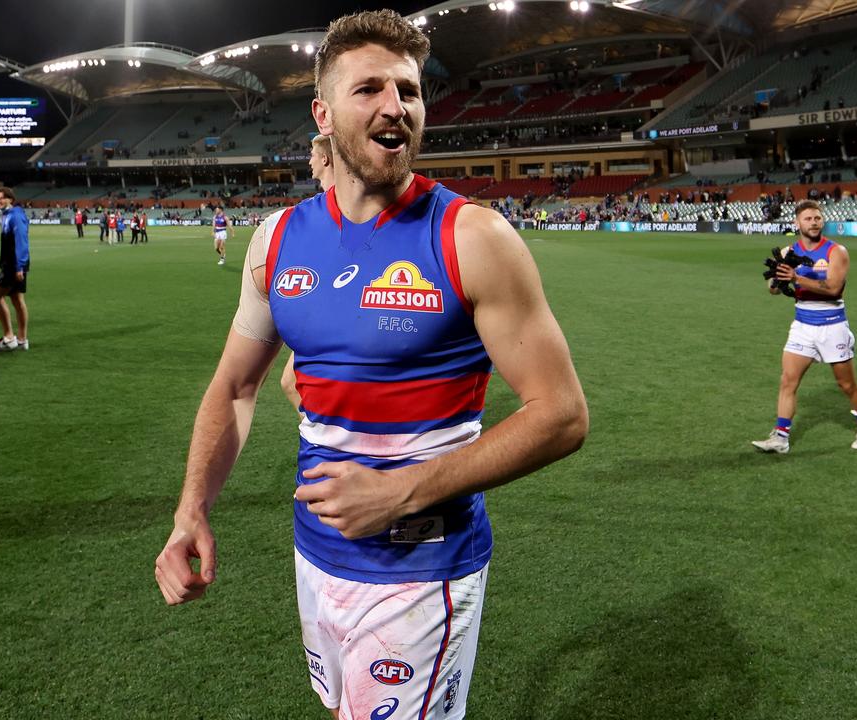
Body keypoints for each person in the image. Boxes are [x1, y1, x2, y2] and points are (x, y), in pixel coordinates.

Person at [153, 11, 588, 720]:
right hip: (316, 555)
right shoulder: (278, 241)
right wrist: (190, 510)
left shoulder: (472, 238)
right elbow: (234, 388)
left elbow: (563, 415)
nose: (396, 107)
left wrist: (403, 491)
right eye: (371, 90)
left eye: (409, 91)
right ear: (323, 113)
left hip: (425, 568)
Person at [752, 199, 857, 453]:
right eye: (808, 219)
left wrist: (797, 277)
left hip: (832, 325)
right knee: (788, 381)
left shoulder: (836, 252)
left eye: (817, 218)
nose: (814, 222)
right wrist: (777, 279)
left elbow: (833, 288)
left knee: (847, 385)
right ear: (796, 223)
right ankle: (781, 437)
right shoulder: (788, 253)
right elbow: (773, 291)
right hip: (802, 325)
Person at [279, 134, 337, 413]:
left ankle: (331, 439)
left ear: (325, 158)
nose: (309, 161)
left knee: (291, 382)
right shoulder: (322, 205)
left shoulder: (336, 206)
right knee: (290, 382)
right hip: (326, 310)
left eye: (312, 155)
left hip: (335, 311)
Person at [0, 187, 30, 352]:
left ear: (10, 200)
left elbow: (21, 240)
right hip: (13, 263)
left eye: (2, 198)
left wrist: (19, 266)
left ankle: (9, 338)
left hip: (14, 265)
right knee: (16, 300)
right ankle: (22, 340)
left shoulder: (15, 215)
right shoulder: (7, 215)